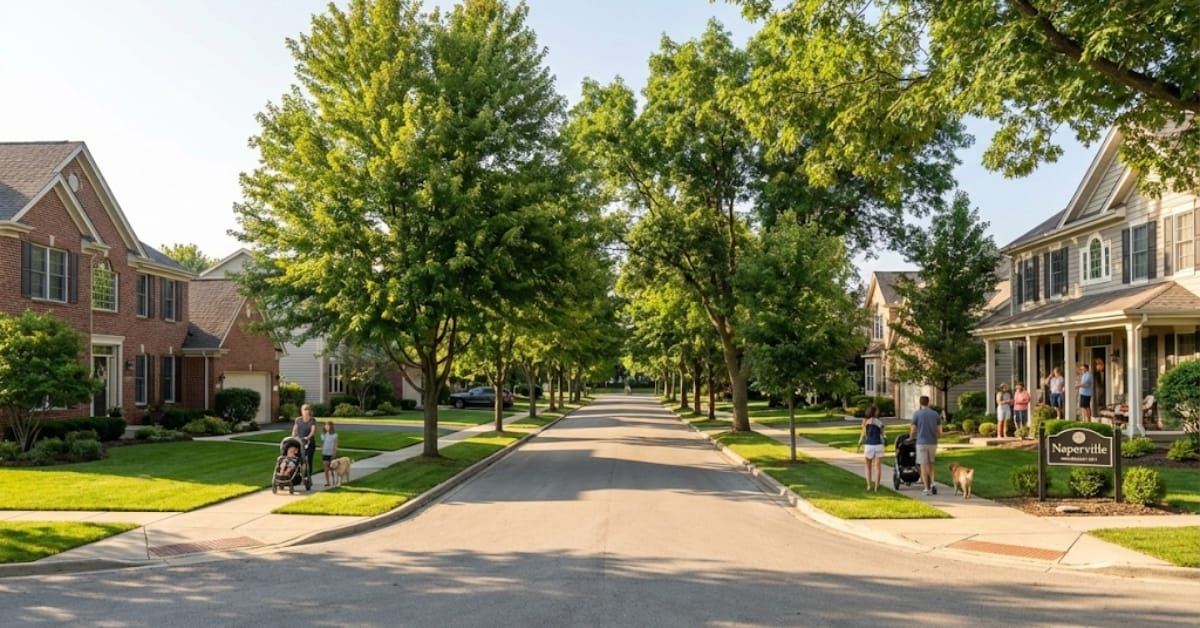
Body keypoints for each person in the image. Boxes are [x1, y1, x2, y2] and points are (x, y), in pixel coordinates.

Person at [908, 395, 942, 496]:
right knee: (931, 464)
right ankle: (933, 483)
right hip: (932, 442)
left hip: (921, 442)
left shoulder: (917, 414)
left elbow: (913, 429)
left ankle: (926, 488)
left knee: (923, 465)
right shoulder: (935, 414)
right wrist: (938, 436)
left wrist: (910, 437)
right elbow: (940, 430)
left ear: (920, 403)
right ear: (929, 402)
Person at [858, 406, 886, 492]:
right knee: (877, 467)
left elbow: (863, 434)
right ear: (875, 413)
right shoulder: (879, 422)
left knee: (867, 466)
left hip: (869, 445)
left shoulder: (865, 422)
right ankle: (876, 487)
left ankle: (869, 485)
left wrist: (859, 443)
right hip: (878, 445)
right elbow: (883, 434)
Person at [291, 404, 317, 479]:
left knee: (308, 460)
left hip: (309, 443)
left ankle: (307, 476)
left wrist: (307, 438)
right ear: (301, 411)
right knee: (298, 460)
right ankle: (297, 475)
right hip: (299, 443)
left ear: (309, 411)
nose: (305, 411)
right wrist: (292, 437)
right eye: (304, 410)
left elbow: (313, 431)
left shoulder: (312, 420)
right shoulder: (298, 420)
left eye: (307, 410)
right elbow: (294, 430)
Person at [320, 420, 339, 487]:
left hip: (331, 453)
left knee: (332, 467)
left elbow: (335, 444)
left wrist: (334, 452)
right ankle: (327, 482)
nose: (326, 427)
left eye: (328, 425)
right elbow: (322, 443)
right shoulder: (323, 435)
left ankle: (335, 479)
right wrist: (322, 449)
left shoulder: (334, 435)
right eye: (325, 425)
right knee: (326, 467)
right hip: (325, 453)